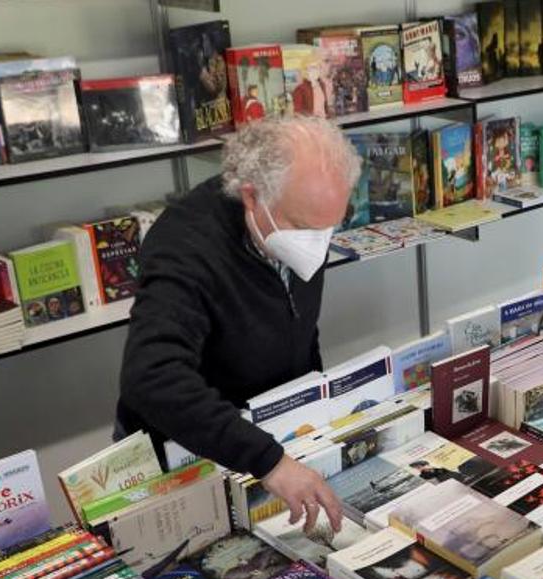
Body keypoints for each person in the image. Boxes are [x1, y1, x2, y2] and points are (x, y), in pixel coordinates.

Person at [117, 116, 361, 533]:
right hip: (195, 452)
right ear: (252, 197)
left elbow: (297, 323)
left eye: (331, 225)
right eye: (304, 227)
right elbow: (151, 377)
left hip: (275, 437)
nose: (317, 242)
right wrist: (268, 460)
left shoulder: (300, 211)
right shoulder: (185, 245)